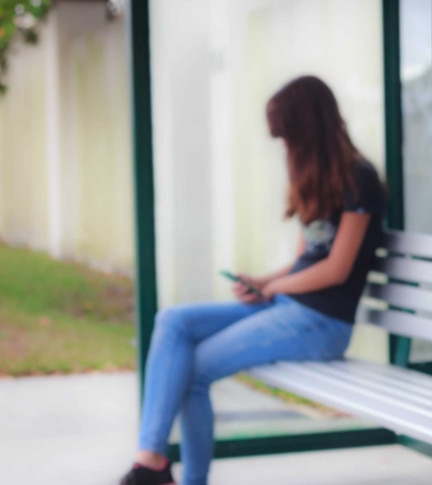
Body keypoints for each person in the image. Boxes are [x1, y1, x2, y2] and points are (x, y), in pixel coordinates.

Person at [119, 75, 386, 485]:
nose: (284, 147)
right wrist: (262, 281)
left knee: (194, 370)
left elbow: (337, 269)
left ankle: (177, 477)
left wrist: (275, 289)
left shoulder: (359, 177)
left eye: (287, 137)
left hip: (323, 324)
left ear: (307, 129)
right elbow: (303, 260)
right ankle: (150, 457)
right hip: (290, 308)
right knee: (174, 320)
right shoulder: (316, 179)